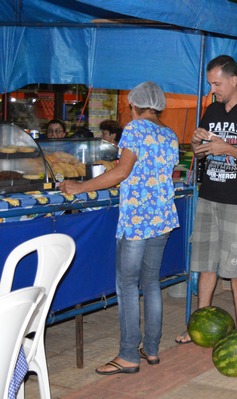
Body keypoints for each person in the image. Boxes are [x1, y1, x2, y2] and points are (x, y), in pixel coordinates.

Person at [59, 81, 180, 374]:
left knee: (127, 286)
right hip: (161, 219)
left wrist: (79, 186)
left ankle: (128, 355)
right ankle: (150, 349)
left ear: (135, 105)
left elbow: (121, 172)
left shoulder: (136, 129)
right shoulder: (170, 134)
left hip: (137, 221)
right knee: (151, 284)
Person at [175, 55, 237, 344]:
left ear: (233, 79)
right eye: (210, 84)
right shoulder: (212, 110)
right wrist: (196, 140)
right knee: (205, 263)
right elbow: (199, 152)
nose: (213, 89)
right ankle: (200, 326)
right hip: (209, 197)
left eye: (217, 83)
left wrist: (228, 149)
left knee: (235, 266)